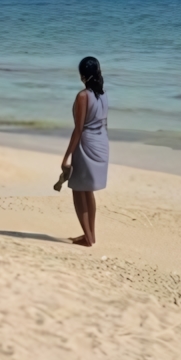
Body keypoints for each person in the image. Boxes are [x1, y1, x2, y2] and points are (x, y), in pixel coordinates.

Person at [61, 56, 108, 246]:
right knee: (88, 191)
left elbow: (78, 129)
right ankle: (91, 235)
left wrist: (66, 157)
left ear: (82, 75)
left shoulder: (83, 96)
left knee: (78, 190)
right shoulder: (104, 95)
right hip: (102, 143)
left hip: (86, 145)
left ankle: (87, 237)